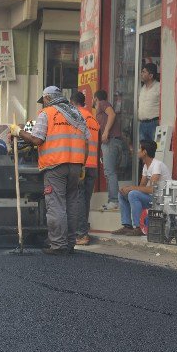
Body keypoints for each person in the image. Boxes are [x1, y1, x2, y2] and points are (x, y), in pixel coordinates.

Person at [9, 86, 89, 255]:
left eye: (43, 100)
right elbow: (86, 142)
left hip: (55, 166)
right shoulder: (77, 113)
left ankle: (58, 245)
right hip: (75, 165)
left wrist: (18, 131)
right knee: (71, 204)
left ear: (47, 98)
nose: (43, 104)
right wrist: (82, 165)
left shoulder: (47, 113)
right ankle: (69, 244)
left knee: (56, 205)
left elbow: (37, 140)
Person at [112, 139, 171, 236]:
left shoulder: (157, 165)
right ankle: (127, 226)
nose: (137, 151)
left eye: (140, 148)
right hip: (154, 199)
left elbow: (153, 189)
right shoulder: (146, 166)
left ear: (145, 152)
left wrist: (131, 188)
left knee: (133, 193)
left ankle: (139, 227)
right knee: (122, 194)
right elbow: (142, 187)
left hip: (162, 200)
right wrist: (128, 189)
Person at [72, 91, 100, 246]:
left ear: (72, 103)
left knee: (78, 200)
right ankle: (82, 232)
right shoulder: (92, 118)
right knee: (85, 200)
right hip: (92, 164)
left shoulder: (76, 116)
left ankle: (81, 234)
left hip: (81, 163)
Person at [94, 89, 121, 211]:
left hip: (110, 141)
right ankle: (112, 200)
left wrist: (106, 132)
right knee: (108, 172)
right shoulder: (101, 107)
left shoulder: (102, 103)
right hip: (110, 142)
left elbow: (112, 114)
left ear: (95, 98)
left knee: (110, 172)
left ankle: (114, 201)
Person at [137, 63, 160, 144]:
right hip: (142, 124)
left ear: (150, 76)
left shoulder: (159, 87)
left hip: (154, 124)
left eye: (144, 72)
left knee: (155, 149)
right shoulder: (142, 88)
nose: (141, 74)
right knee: (144, 151)